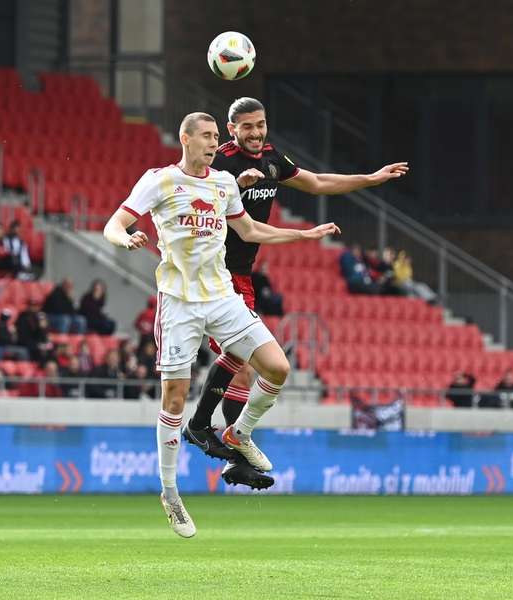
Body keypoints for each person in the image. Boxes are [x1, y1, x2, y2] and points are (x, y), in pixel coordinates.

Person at [103, 111, 340, 538]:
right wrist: (128, 238)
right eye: (207, 136)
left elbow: (247, 231)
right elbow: (114, 224)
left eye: (216, 137)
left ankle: (237, 432)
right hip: (178, 304)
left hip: (222, 297)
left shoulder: (225, 183)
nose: (213, 143)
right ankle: (170, 492)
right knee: (174, 397)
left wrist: (300, 236)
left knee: (278, 367)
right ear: (186, 138)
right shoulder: (159, 180)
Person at [183, 97, 407, 489]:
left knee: (244, 364)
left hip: (242, 275)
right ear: (231, 130)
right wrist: (235, 185)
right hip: (212, 273)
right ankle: (204, 430)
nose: (256, 133)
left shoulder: (271, 159)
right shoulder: (219, 162)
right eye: (247, 127)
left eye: (261, 124)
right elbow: (193, 203)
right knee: (247, 361)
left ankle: (231, 451)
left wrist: (370, 178)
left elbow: (317, 182)